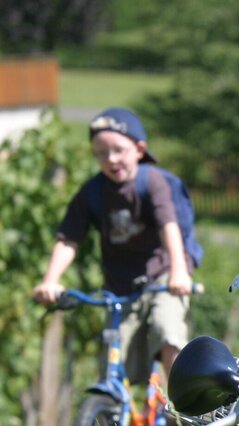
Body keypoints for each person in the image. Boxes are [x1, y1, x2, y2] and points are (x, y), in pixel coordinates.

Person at [33, 107, 194, 383]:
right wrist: (51, 279)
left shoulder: (153, 182)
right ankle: (111, 418)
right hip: (120, 285)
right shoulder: (93, 192)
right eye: (101, 153)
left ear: (139, 149)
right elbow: (69, 238)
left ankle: (180, 411)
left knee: (168, 331)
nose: (111, 159)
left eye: (119, 150)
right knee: (114, 356)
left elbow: (169, 225)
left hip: (164, 275)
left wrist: (179, 272)